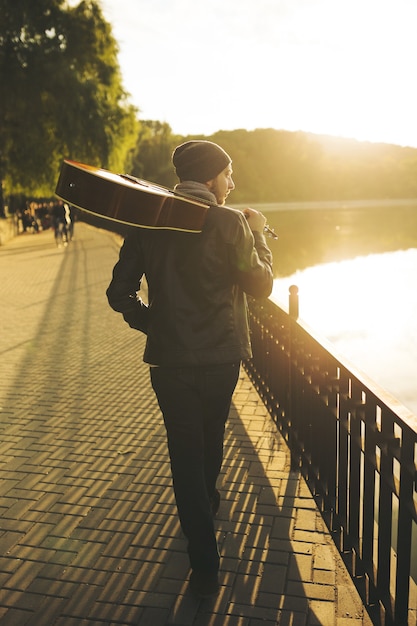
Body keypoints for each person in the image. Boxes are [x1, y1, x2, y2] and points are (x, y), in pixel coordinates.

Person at [106, 140, 273, 599]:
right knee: (210, 441)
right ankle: (208, 511)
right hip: (220, 360)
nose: (233, 183)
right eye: (229, 174)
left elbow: (119, 293)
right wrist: (258, 232)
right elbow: (260, 285)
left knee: (185, 452)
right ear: (212, 177)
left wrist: (154, 323)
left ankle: (202, 549)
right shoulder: (230, 222)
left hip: (170, 363)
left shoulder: (150, 220)